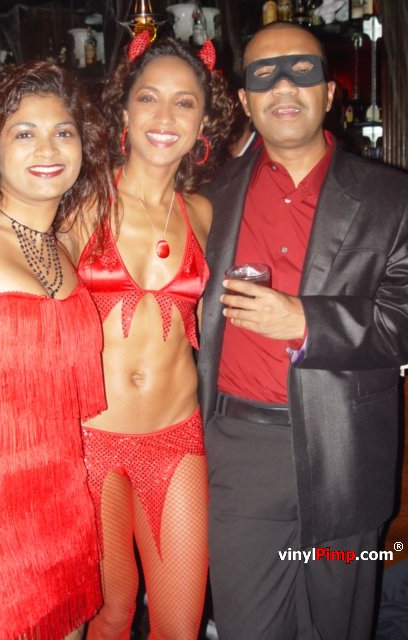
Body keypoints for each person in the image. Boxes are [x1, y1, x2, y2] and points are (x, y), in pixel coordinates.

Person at [197, 21, 408, 640]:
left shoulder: (393, 199)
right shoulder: (206, 198)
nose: (284, 86)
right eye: (265, 75)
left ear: (330, 93)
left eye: (302, 71)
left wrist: (305, 321)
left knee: (338, 625)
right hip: (239, 453)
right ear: (245, 101)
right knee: (248, 626)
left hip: (346, 453)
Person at [0, 60, 113, 639]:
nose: (48, 148)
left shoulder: (66, 252)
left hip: (61, 508)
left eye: (64, 132)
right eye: (24, 133)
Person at [68, 33, 233, 639]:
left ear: (203, 122)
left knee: (180, 627)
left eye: (185, 103)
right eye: (149, 98)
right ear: (124, 109)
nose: (165, 117)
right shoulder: (79, 203)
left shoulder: (205, 213)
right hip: (90, 440)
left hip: (177, 438)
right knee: (110, 613)